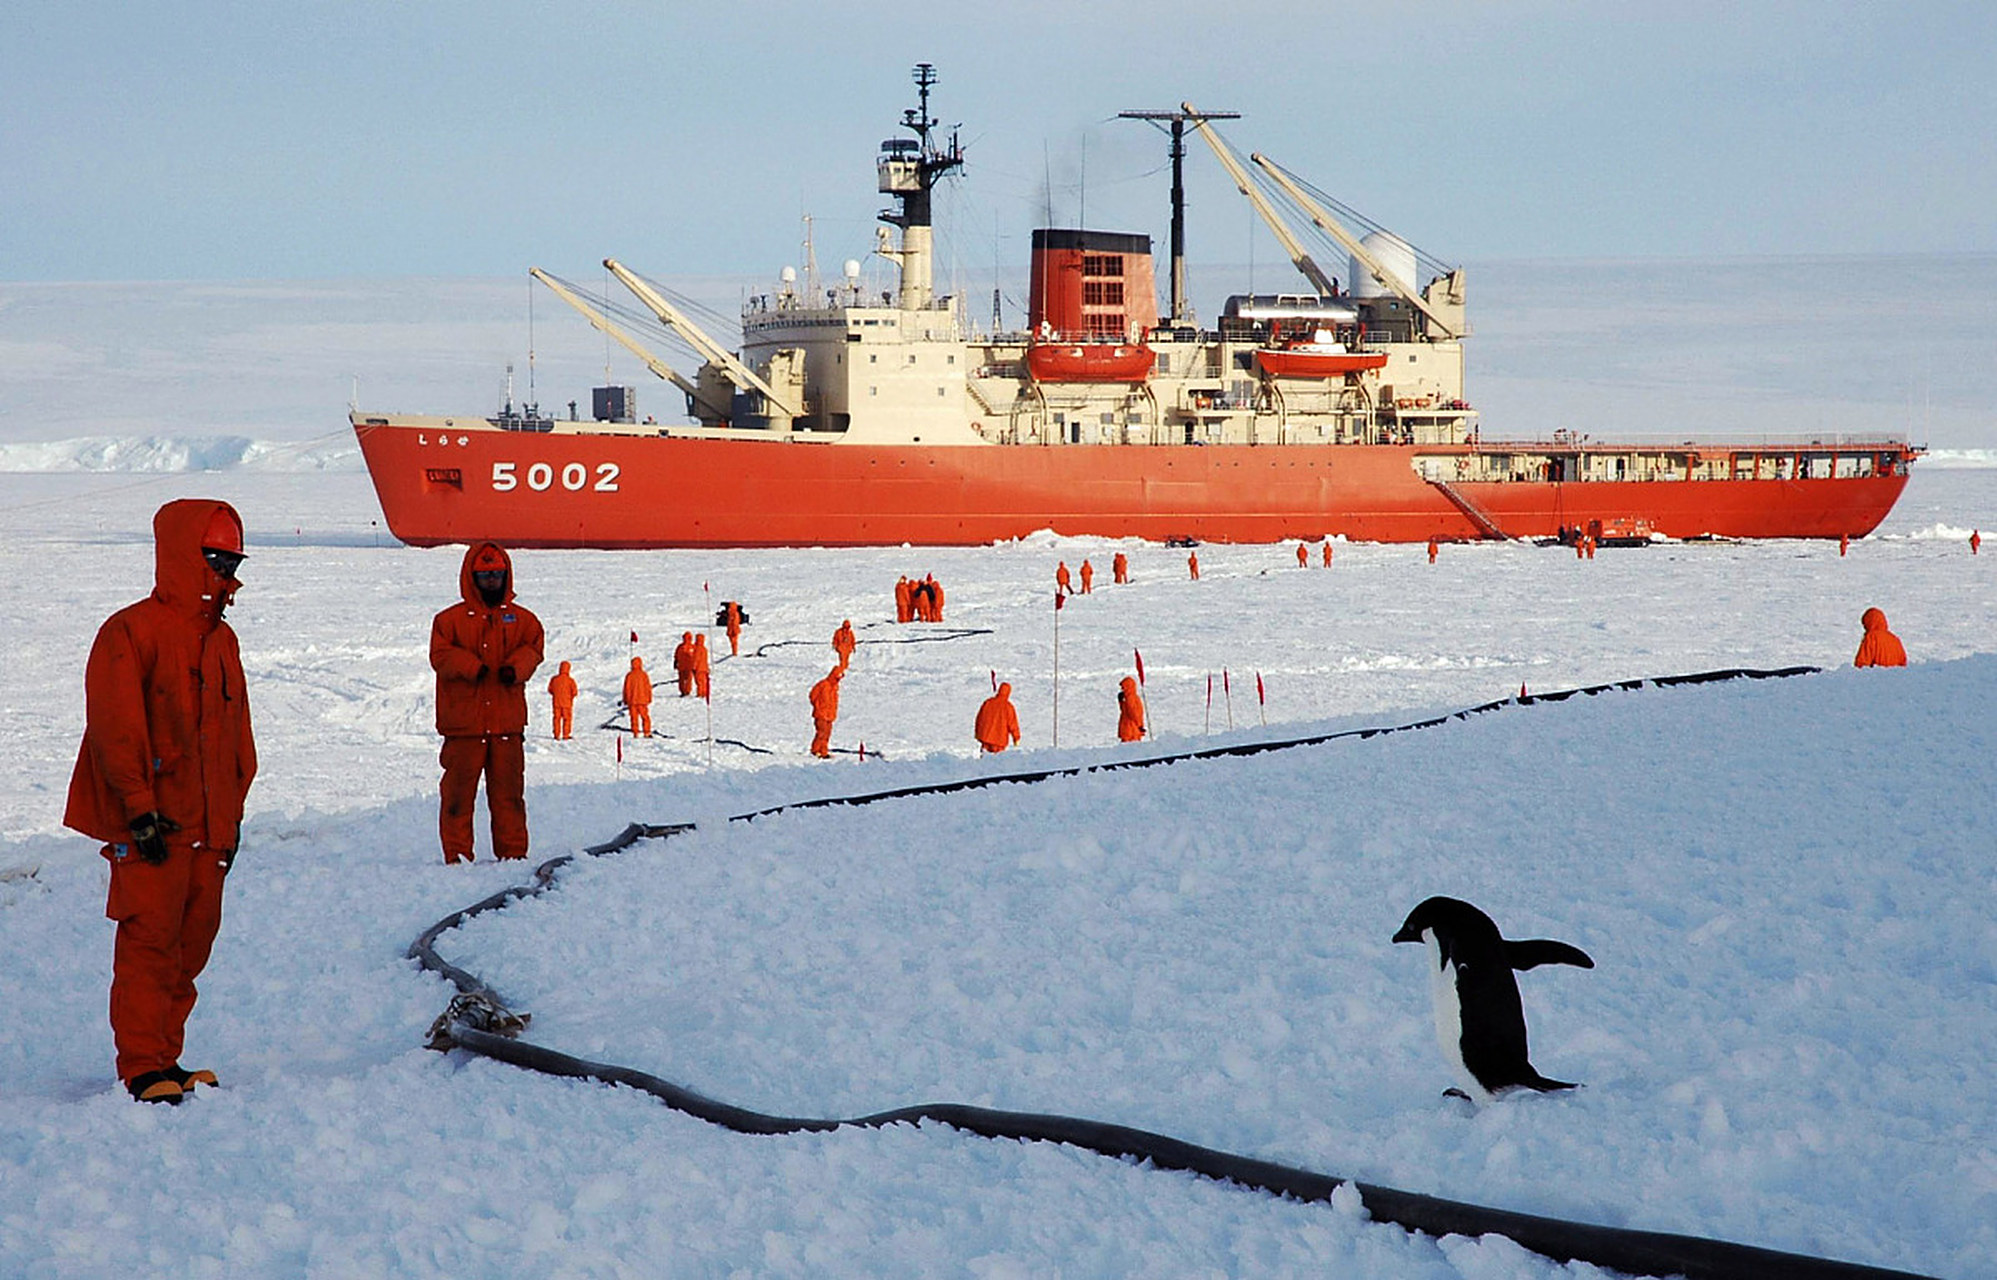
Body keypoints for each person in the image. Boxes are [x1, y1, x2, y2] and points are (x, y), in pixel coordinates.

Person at [66, 500, 256, 1105]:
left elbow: (238, 737)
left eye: (231, 559)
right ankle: (142, 1065)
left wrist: (232, 815)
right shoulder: (130, 631)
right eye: (215, 557)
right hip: (152, 826)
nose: (225, 571)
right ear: (184, 555)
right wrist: (139, 809)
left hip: (208, 829)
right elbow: (116, 729)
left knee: (191, 945)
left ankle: (167, 1057)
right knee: (149, 944)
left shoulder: (222, 641)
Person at [431, 542, 544, 866]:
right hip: (464, 727)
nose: (492, 580)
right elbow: (440, 655)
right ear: (472, 577)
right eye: (485, 575)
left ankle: (513, 855)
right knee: (456, 798)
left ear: (506, 576)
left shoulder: (524, 620)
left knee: (509, 797)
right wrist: (472, 667)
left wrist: (516, 668)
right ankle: (457, 856)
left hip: (506, 727)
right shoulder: (448, 621)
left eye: (497, 574)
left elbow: (534, 647)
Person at [975, 682, 1021, 753]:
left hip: (985, 737)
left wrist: (977, 732)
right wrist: (1016, 738)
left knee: (984, 759)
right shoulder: (1008, 707)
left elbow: (980, 718)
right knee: (997, 761)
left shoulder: (988, 702)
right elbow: (1013, 724)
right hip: (999, 741)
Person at [809, 665, 843, 758]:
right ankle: (815, 750)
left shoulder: (835, 688)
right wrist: (818, 706)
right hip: (821, 714)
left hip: (830, 715)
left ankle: (823, 751)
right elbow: (812, 695)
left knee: (826, 734)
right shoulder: (823, 684)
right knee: (821, 733)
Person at [622, 656, 654, 736]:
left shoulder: (629, 675)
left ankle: (635, 732)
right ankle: (647, 732)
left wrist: (625, 699)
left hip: (632, 701)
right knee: (645, 717)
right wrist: (649, 698)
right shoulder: (644, 675)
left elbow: (626, 689)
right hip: (642, 701)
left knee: (634, 718)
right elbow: (648, 688)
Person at [547, 660, 577, 740]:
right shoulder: (570, 680)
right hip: (567, 704)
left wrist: (556, 695)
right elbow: (574, 692)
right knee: (567, 719)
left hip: (556, 703)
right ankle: (565, 735)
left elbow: (550, 689)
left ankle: (556, 735)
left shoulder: (554, 679)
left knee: (556, 719)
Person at [1116, 675, 1146, 742]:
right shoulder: (1131, 698)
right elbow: (1124, 711)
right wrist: (1121, 702)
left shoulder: (1130, 698)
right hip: (1129, 729)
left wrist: (1139, 726)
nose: (1122, 689)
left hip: (1130, 731)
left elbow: (1133, 714)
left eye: (1123, 687)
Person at [672, 630, 696, 696]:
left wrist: (695, 666)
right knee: (681, 680)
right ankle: (683, 691)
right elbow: (676, 655)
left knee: (688, 680)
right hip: (681, 666)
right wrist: (675, 662)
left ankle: (687, 691)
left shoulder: (693, 647)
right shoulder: (680, 646)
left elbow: (696, 657)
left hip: (689, 666)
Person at [692, 634, 711, 700]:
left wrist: (694, 667)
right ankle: (704, 692)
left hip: (698, 668)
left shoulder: (697, 649)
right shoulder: (704, 649)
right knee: (703, 681)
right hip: (704, 668)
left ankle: (700, 693)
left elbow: (696, 659)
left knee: (699, 681)